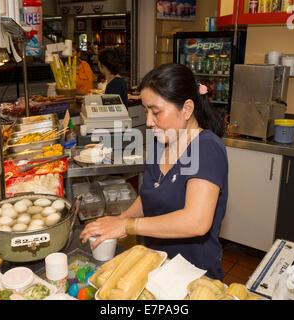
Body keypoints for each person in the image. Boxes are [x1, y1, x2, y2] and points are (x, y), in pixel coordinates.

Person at [80, 63, 229, 280]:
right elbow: (149, 196)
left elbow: (196, 221)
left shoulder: (207, 148)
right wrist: (117, 222)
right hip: (155, 266)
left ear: (187, 109)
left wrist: (127, 226)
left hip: (193, 275)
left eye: (156, 112)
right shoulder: (160, 143)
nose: (149, 122)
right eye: (146, 111)